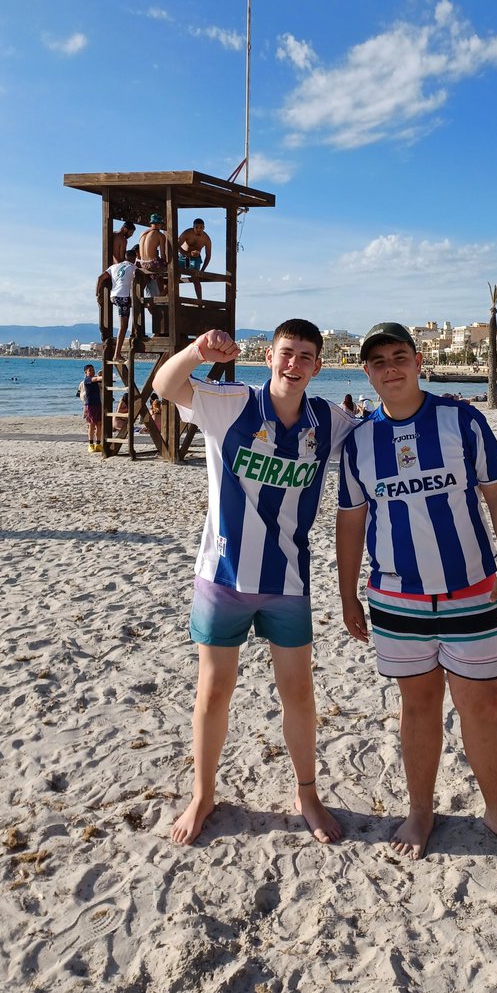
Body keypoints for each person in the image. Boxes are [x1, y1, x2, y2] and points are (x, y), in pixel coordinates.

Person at [336, 322, 497, 865]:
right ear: (366, 372)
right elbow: (350, 523)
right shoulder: (359, 441)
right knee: (419, 706)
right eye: (379, 360)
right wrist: (346, 595)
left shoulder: (462, 420)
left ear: (418, 359)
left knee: (482, 705)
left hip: (472, 591)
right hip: (396, 599)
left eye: (399, 355)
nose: (391, 367)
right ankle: (421, 811)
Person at [152, 320, 358, 847]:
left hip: (288, 580)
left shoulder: (327, 421)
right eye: (287, 353)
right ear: (270, 356)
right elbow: (165, 386)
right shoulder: (233, 403)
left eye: (306, 357)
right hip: (223, 576)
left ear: (318, 365)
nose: (295, 364)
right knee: (214, 691)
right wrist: (197, 350)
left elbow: (379, 436)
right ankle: (203, 794)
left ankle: (307, 793)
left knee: (299, 693)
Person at [96, 247, 138, 363]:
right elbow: (140, 277)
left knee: (132, 307)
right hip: (123, 296)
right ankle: (117, 354)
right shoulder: (133, 267)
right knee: (123, 325)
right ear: (134, 258)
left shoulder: (114, 267)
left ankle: (134, 332)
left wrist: (97, 293)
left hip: (113, 296)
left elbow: (100, 277)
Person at [177, 217, 213, 301]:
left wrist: (203, 270)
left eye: (201, 227)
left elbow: (208, 255)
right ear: (193, 227)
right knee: (175, 274)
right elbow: (176, 245)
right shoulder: (187, 233)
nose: (198, 229)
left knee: (195, 277)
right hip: (183, 257)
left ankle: (199, 300)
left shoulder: (206, 239)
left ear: (204, 227)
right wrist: (186, 253)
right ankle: (166, 294)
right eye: (196, 227)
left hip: (194, 260)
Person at [138, 213, 169, 296]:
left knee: (159, 265)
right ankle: (162, 293)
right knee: (174, 271)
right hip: (152, 264)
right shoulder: (160, 235)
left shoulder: (142, 233)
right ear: (159, 224)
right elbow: (163, 255)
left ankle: (156, 288)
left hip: (142, 263)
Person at [81, 364, 102, 452]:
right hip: (90, 405)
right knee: (91, 425)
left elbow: (98, 379)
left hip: (98, 404)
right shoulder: (87, 380)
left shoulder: (95, 380)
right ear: (86, 373)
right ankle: (90, 444)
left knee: (99, 424)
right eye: (90, 371)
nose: (92, 372)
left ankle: (98, 443)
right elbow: (97, 379)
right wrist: (103, 376)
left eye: (93, 370)